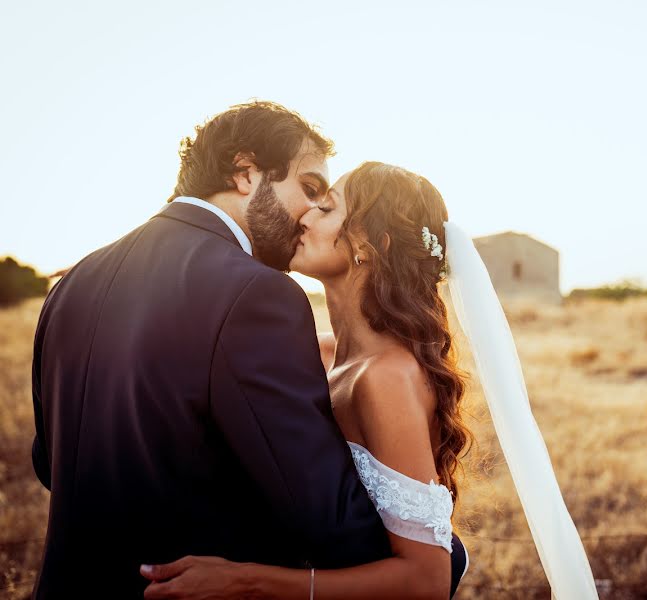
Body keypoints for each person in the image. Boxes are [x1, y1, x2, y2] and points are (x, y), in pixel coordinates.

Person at [30, 102, 467, 599]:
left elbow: (49, 464)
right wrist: (445, 555)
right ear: (245, 173)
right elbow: (322, 519)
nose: (308, 214)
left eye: (325, 203)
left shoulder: (74, 281)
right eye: (309, 190)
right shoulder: (253, 293)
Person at [139, 161, 600, 599]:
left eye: (326, 207)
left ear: (368, 243)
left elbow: (425, 583)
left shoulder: (387, 378)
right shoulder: (315, 352)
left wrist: (245, 584)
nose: (304, 216)